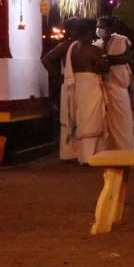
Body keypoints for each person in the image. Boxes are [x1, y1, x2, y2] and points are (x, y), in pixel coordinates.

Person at [41, 17, 106, 163]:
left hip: (71, 83)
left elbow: (46, 59)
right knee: (81, 118)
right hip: (79, 84)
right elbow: (46, 59)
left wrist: (58, 77)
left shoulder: (70, 45)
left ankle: (72, 153)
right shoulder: (80, 47)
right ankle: (81, 154)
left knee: (72, 117)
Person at [97, 15, 134, 152]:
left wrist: (108, 59)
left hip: (118, 85)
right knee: (106, 122)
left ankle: (126, 150)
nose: (99, 29)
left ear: (110, 28)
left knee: (123, 119)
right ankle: (109, 150)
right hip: (103, 87)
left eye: (101, 26)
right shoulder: (97, 43)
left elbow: (126, 57)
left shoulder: (121, 40)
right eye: (98, 26)